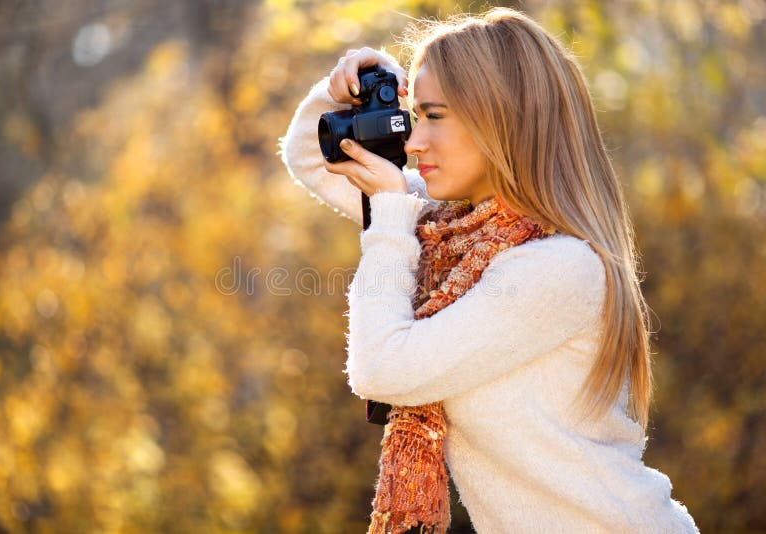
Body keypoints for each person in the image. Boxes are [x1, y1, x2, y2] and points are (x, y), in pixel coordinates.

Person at [279, 7, 699, 534]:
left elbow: (382, 367)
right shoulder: (450, 231)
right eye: (415, 115)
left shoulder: (559, 268)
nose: (411, 143)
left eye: (434, 116)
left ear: (502, 121)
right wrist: (371, 83)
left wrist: (389, 215)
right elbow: (310, 157)